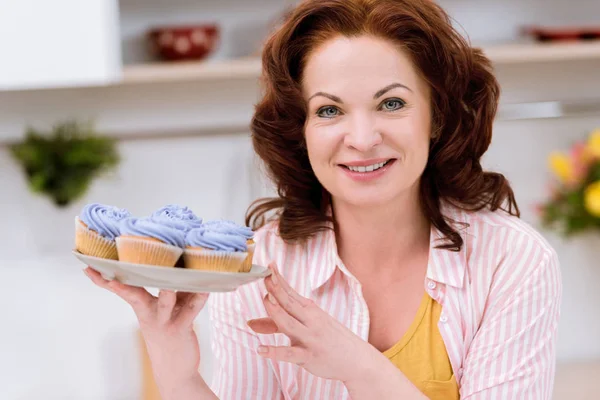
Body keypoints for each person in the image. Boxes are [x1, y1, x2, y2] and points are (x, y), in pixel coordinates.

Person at [84, 0, 562, 398]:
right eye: (329, 110)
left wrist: (359, 367)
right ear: (303, 131)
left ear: (436, 117)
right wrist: (177, 367)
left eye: (391, 103)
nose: (361, 137)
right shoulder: (261, 268)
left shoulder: (511, 261)